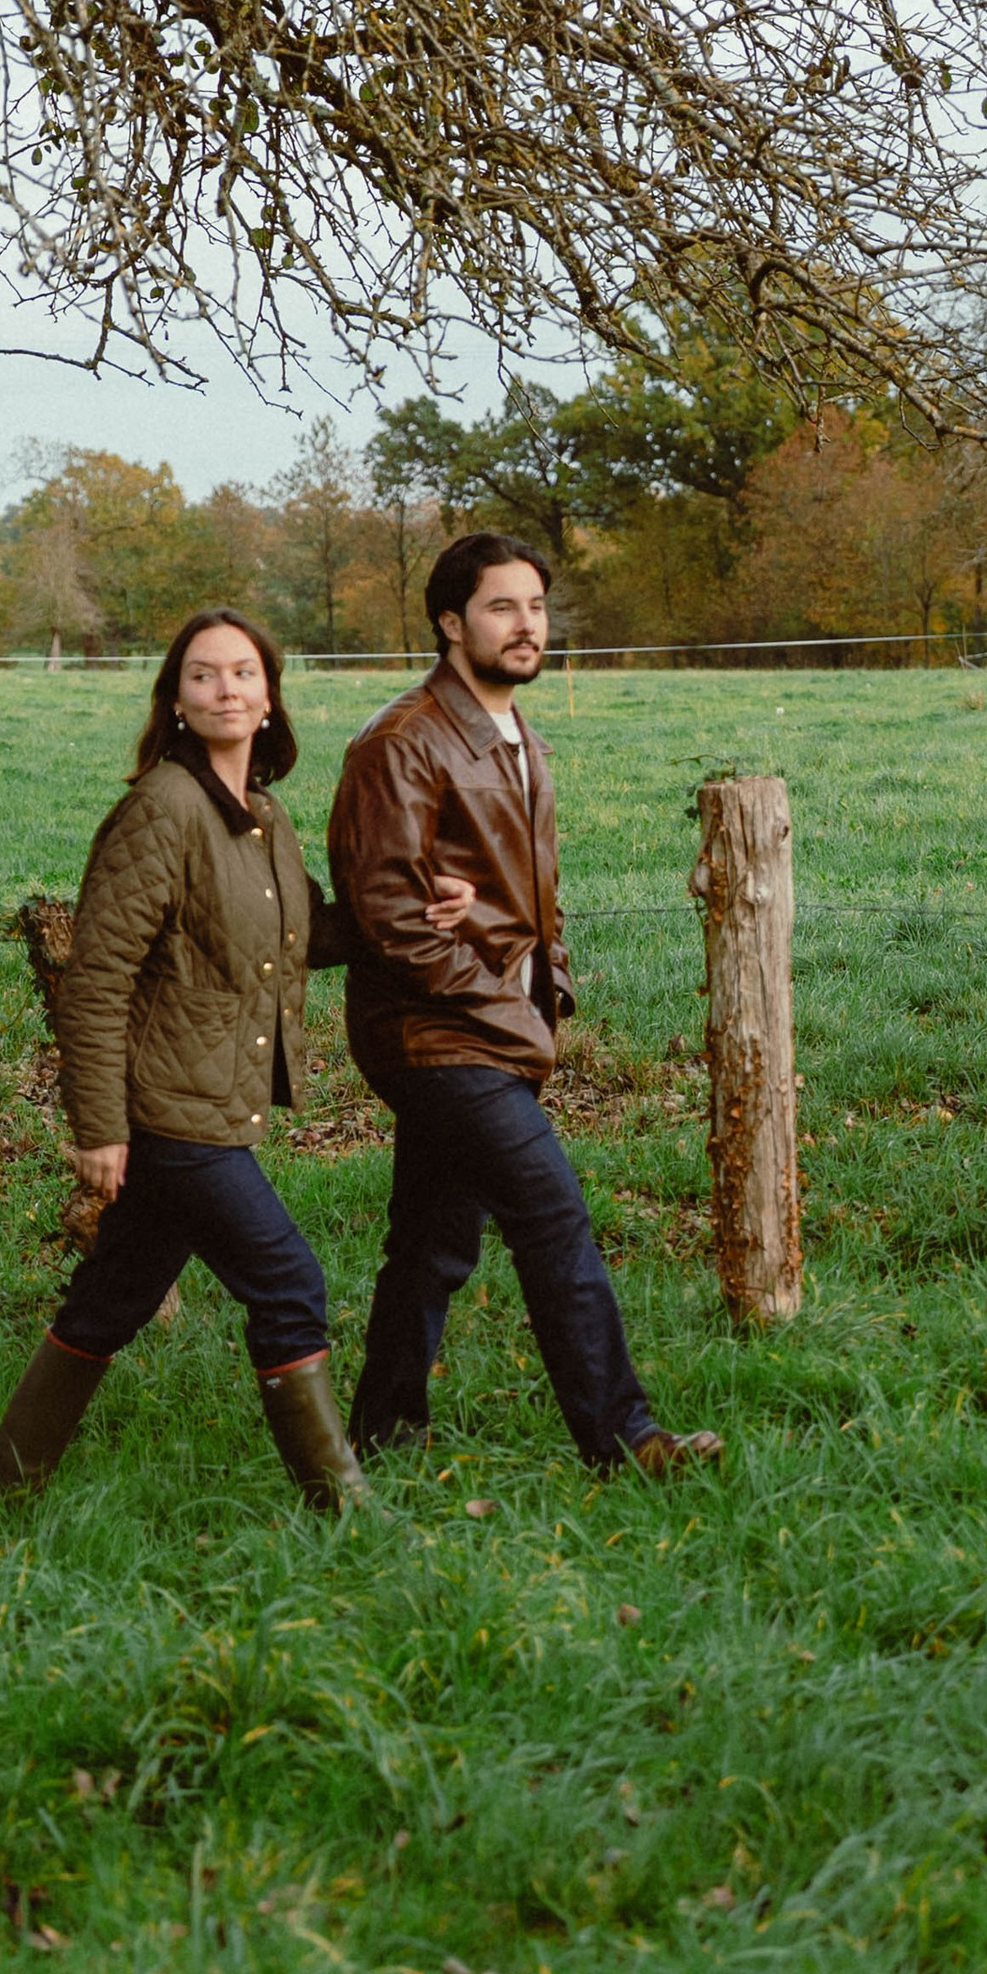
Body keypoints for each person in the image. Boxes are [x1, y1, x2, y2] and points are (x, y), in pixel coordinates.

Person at [0, 610, 470, 1505]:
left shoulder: (262, 816)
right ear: (176, 699)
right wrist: (99, 1128)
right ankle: (343, 1508)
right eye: (204, 676)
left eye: (244, 674)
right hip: (171, 1109)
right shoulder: (160, 811)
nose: (226, 690)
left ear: (269, 698)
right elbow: (96, 983)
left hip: (209, 1099)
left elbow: (308, 935)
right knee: (289, 1281)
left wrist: (417, 911)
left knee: (112, 1297)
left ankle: (8, 1492)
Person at [328, 532, 724, 1478]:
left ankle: (380, 1440)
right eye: (502, 607)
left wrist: (552, 986)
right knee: (552, 1216)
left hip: (495, 1024)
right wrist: (505, 1009)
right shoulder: (401, 742)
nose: (526, 625)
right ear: (450, 621)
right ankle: (624, 1440)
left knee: (431, 1241)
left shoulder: (517, 735)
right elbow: (386, 919)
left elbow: (519, 897)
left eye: (536, 606)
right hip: (432, 1030)